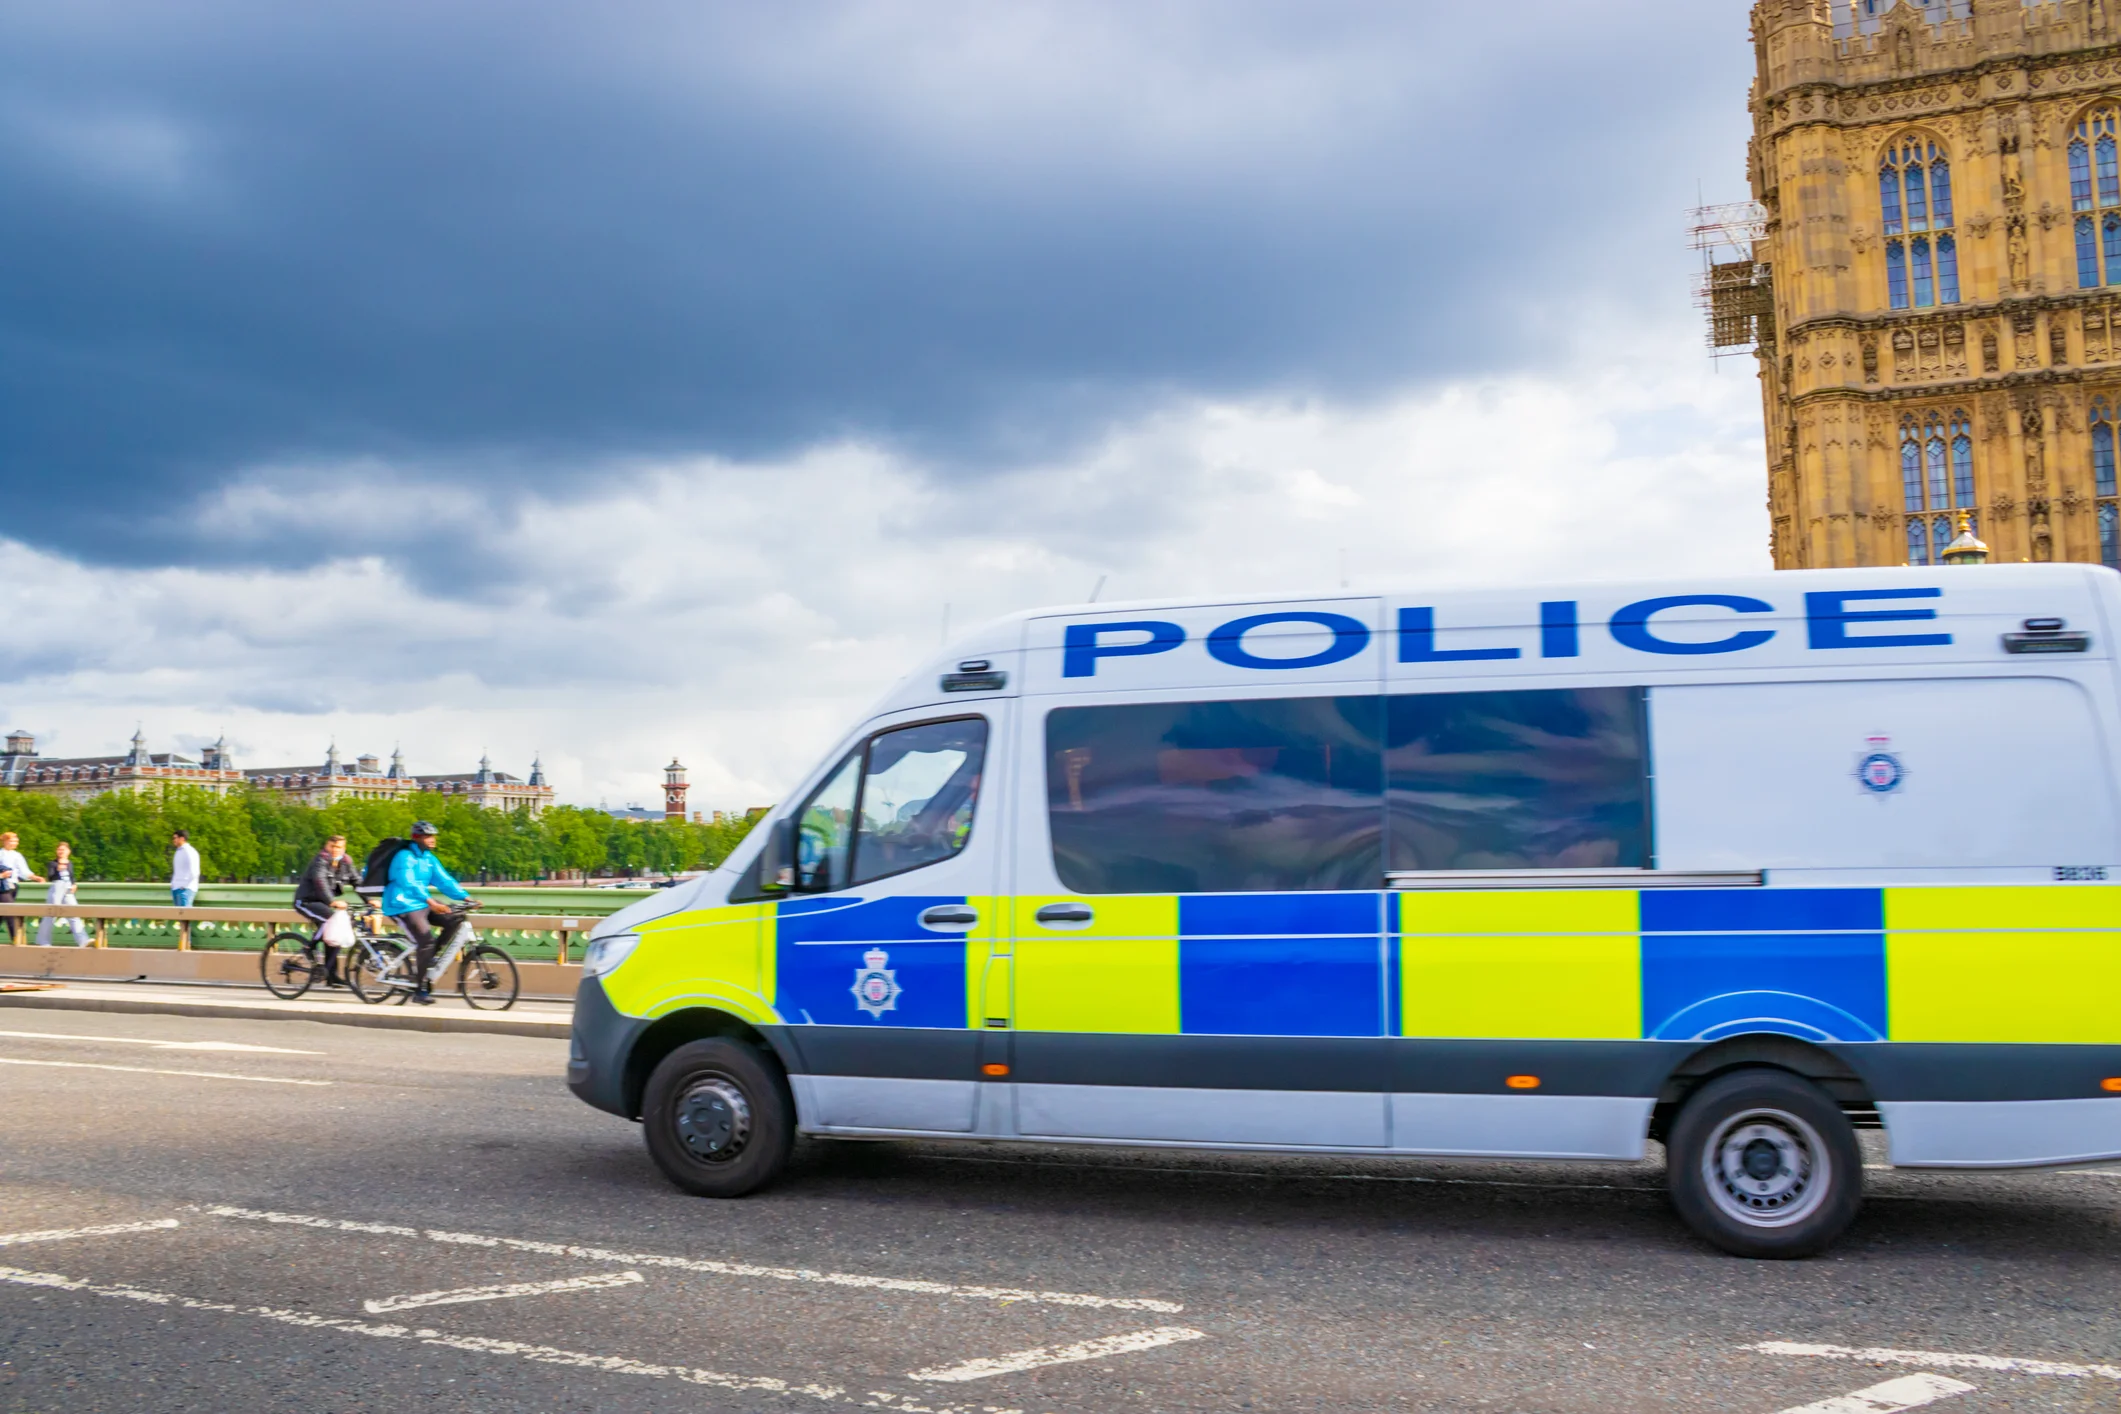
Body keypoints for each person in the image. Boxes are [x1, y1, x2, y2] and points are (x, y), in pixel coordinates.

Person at [382, 821, 469, 1005]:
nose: (433, 840)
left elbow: (444, 880)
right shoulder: (404, 857)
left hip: (421, 902)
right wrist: (430, 901)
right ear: (417, 838)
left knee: (455, 918)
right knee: (426, 941)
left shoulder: (428, 858)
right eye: (428, 836)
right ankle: (419, 990)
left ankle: (430, 958)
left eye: (433, 836)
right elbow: (408, 883)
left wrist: (466, 898)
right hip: (401, 904)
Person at [294, 835, 360, 986]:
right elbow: (320, 882)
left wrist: (370, 899)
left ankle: (331, 975)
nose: (335, 850)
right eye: (332, 846)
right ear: (327, 846)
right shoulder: (320, 861)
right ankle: (309, 948)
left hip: (325, 904)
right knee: (332, 920)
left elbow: (357, 882)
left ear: (344, 848)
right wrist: (333, 901)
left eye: (339, 847)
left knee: (334, 936)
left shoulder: (346, 862)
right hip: (306, 901)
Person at [34, 842, 88, 947]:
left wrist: (74, 884)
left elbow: (71, 876)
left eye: (63, 849)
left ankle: (83, 940)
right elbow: (51, 877)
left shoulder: (70, 863)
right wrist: (59, 868)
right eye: (59, 849)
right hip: (57, 888)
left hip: (68, 890)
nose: (61, 852)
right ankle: (43, 940)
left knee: (74, 914)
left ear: (68, 851)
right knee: (51, 914)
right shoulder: (52, 863)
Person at [0, 832, 42, 944]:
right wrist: (1, 876)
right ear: (5, 841)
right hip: (2, 887)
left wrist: (35, 877)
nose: (15, 843)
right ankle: (16, 938)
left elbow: (24, 871)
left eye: (16, 841)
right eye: (13, 841)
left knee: (2, 913)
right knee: (10, 910)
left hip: (13, 887)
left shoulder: (17, 855)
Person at [170, 830, 201, 908]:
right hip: (176, 888)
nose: (174, 840)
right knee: (179, 915)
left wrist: (184, 885)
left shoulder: (190, 851)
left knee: (185, 915)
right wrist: (173, 884)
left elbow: (195, 871)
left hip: (185, 889)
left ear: (182, 838)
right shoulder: (178, 852)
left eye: (175, 838)